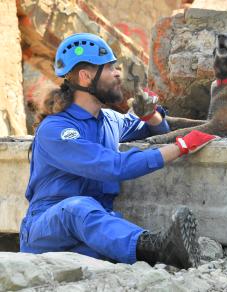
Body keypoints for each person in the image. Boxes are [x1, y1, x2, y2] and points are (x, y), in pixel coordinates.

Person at [19, 33, 216, 269]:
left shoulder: (110, 120)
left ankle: (151, 249)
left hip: (91, 232)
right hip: (47, 231)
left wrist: (150, 114)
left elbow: (153, 129)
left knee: (104, 249)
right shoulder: (56, 129)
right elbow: (112, 166)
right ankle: (160, 247)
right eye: (110, 68)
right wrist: (181, 147)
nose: (117, 74)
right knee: (76, 208)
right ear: (85, 76)